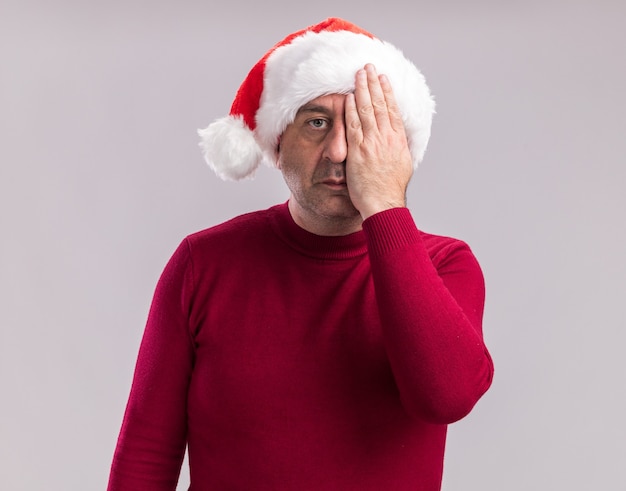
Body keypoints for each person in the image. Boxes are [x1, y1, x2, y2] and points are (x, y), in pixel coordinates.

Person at [107, 17, 494, 491]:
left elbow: (446, 398)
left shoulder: (445, 265)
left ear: (398, 147)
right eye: (316, 122)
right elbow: (147, 451)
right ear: (277, 141)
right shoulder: (202, 264)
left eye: (360, 126)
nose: (338, 151)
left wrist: (386, 205)